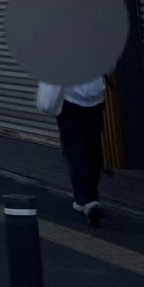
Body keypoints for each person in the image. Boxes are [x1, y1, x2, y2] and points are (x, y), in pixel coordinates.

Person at [39, 76, 109, 225]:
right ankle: (85, 197)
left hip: (70, 100)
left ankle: (88, 200)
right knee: (93, 147)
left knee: (76, 149)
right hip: (95, 98)